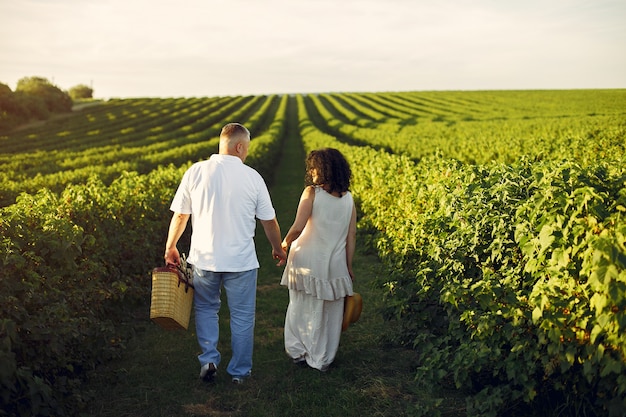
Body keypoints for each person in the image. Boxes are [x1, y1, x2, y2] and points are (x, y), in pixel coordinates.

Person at [164, 122, 287, 384]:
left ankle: (209, 359)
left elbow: (181, 215)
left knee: (207, 309)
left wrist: (171, 246)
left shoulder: (195, 172)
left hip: (204, 259)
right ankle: (239, 374)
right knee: (242, 316)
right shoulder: (253, 177)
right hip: (241, 261)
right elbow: (269, 221)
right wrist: (277, 249)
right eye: (247, 148)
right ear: (239, 146)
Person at [280, 148, 357, 372]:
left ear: (325, 169)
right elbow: (351, 235)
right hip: (335, 264)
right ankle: (322, 359)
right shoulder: (349, 199)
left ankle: (298, 351)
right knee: (331, 314)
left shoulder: (311, 193)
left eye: (314, 167)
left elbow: (298, 226)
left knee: (300, 306)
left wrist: (284, 245)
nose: (311, 171)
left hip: (306, 259)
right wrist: (348, 265)